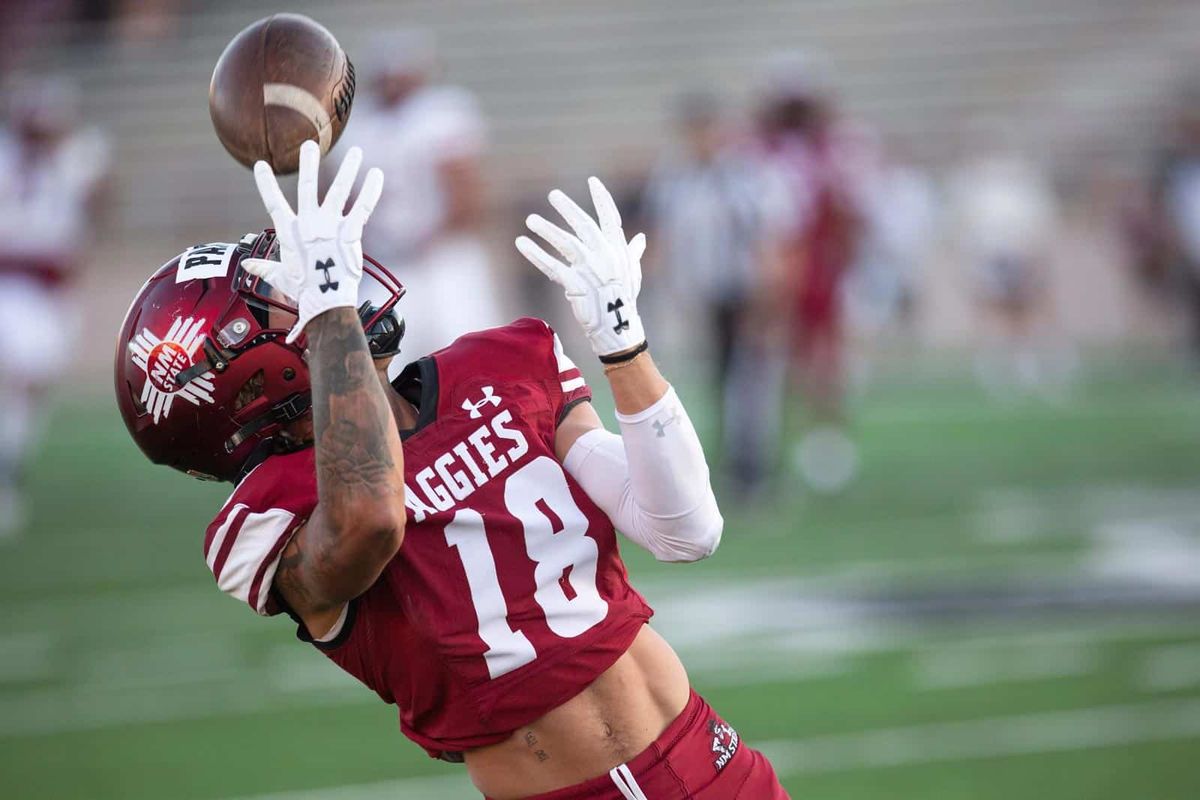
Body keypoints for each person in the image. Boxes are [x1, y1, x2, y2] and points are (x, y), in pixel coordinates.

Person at [114, 141, 789, 799]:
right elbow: (372, 520)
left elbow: (685, 531)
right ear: (246, 376)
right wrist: (329, 316)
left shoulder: (501, 365)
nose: (329, 286)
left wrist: (623, 342)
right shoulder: (273, 514)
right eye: (277, 298)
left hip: (712, 763)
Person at [642, 92, 789, 495]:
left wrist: (767, 294)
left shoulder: (740, 177)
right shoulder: (674, 179)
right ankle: (723, 463)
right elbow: (661, 237)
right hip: (698, 295)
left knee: (747, 382)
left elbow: (763, 240)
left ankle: (752, 467)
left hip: (740, 293)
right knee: (712, 382)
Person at [330, 29, 501, 366]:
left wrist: (433, 235)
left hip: (446, 258)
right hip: (385, 263)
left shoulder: (442, 113)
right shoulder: (357, 123)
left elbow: (466, 191)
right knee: (375, 359)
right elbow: (339, 199)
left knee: (473, 354)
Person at [0, 77, 109, 537]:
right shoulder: (18, 159)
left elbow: (97, 206)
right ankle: (7, 471)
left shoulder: (70, 160)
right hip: (14, 284)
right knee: (18, 385)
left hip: (50, 292)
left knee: (30, 389)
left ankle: (10, 466)